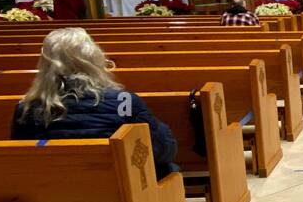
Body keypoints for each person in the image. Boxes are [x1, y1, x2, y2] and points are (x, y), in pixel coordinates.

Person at [11, 27, 178, 178]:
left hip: (52, 196)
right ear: (93, 58)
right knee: (169, 170)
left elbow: (22, 160)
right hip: (120, 196)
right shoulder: (123, 101)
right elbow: (163, 150)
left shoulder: (26, 108)